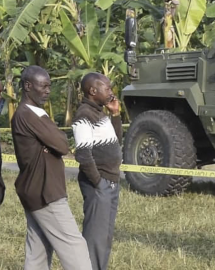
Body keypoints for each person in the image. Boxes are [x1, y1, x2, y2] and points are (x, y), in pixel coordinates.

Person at [11, 65, 92, 270]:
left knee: (37, 252)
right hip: (45, 193)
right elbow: (63, 144)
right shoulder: (28, 114)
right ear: (28, 86)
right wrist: (52, 144)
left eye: (49, 86)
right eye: (43, 86)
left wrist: (52, 143)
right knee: (75, 247)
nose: (48, 91)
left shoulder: (33, 113)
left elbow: (57, 142)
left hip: (34, 191)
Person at [72, 72, 122, 270]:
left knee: (105, 236)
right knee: (95, 239)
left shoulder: (100, 112)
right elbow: (83, 155)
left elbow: (116, 141)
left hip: (111, 182)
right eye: (107, 88)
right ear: (93, 91)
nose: (111, 92)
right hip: (99, 184)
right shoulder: (84, 115)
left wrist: (115, 114)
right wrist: (99, 184)